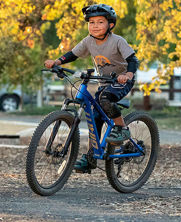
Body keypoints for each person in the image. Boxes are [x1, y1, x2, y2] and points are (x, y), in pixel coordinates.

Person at [44, 4, 139, 173]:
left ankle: (122, 129)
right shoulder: (88, 41)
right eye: (91, 22)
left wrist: (129, 74)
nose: (95, 26)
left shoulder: (117, 41)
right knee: (94, 118)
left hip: (122, 80)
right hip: (104, 81)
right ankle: (91, 157)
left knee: (105, 99)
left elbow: (133, 59)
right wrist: (57, 62)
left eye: (100, 22)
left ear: (110, 25)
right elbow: (73, 54)